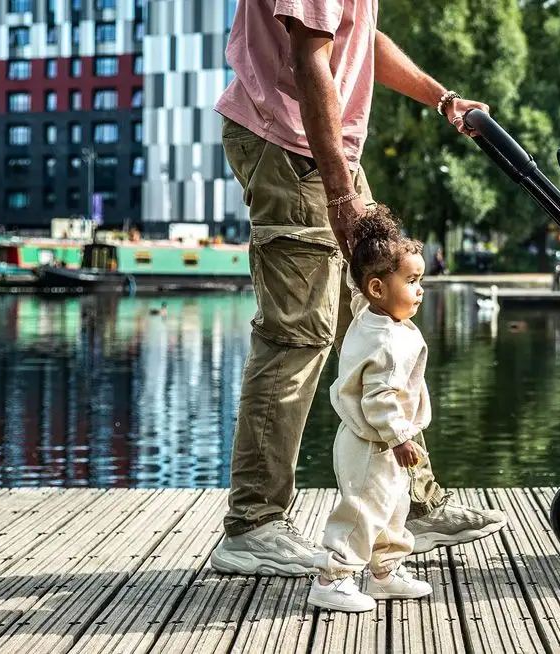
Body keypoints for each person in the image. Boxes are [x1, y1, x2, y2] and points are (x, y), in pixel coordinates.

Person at [209, 0, 506, 578]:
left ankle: (410, 504)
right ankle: (253, 525)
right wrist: (341, 195)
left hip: (328, 149)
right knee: (296, 336)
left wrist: (441, 97)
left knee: (378, 323)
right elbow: (307, 56)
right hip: (292, 148)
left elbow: (360, 38)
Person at [308, 204, 432, 613]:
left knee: (392, 508)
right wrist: (400, 437)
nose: (420, 290)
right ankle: (333, 579)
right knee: (362, 510)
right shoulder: (385, 343)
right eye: (412, 281)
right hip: (372, 444)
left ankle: (385, 574)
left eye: (420, 281)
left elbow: (355, 283)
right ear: (377, 289)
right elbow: (379, 398)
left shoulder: (371, 314)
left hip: (382, 441)